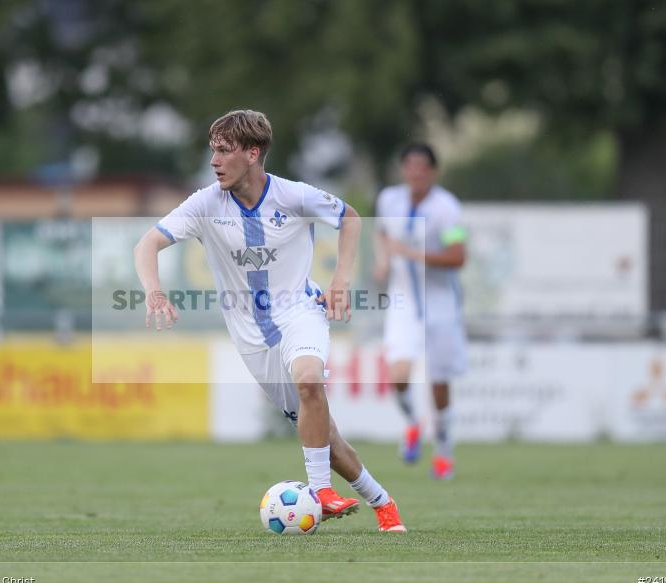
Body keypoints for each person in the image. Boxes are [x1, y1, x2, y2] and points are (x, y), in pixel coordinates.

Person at [134, 109, 405, 532]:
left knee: (310, 379)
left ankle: (319, 493)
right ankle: (383, 503)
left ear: (253, 153)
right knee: (327, 441)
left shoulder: (293, 195)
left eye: (224, 151)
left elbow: (351, 218)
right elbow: (147, 243)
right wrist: (153, 291)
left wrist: (341, 280)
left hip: (301, 311)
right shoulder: (206, 204)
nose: (214, 161)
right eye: (213, 151)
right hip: (251, 338)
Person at [374, 143, 467, 480]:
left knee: (439, 383)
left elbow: (458, 256)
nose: (416, 172)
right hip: (403, 302)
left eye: (422, 166)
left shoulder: (446, 209)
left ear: (433, 171)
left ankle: (443, 452)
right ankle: (413, 424)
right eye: (410, 166)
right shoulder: (389, 200)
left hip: (440, 303)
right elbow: (383, 234)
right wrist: (383, 260)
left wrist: (414, 254)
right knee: (398, 375)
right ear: (403, 170)